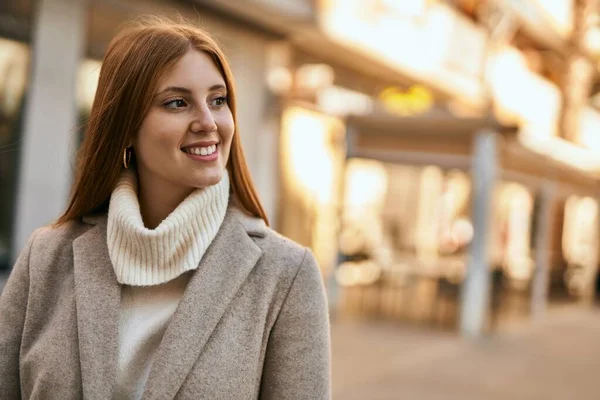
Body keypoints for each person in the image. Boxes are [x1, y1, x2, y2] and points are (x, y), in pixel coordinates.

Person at [0, 17, 331, 399]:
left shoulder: (285, 276)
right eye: (177, 103)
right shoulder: (46, 257)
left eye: (218, 100)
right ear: (124, 126)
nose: (208, 122)